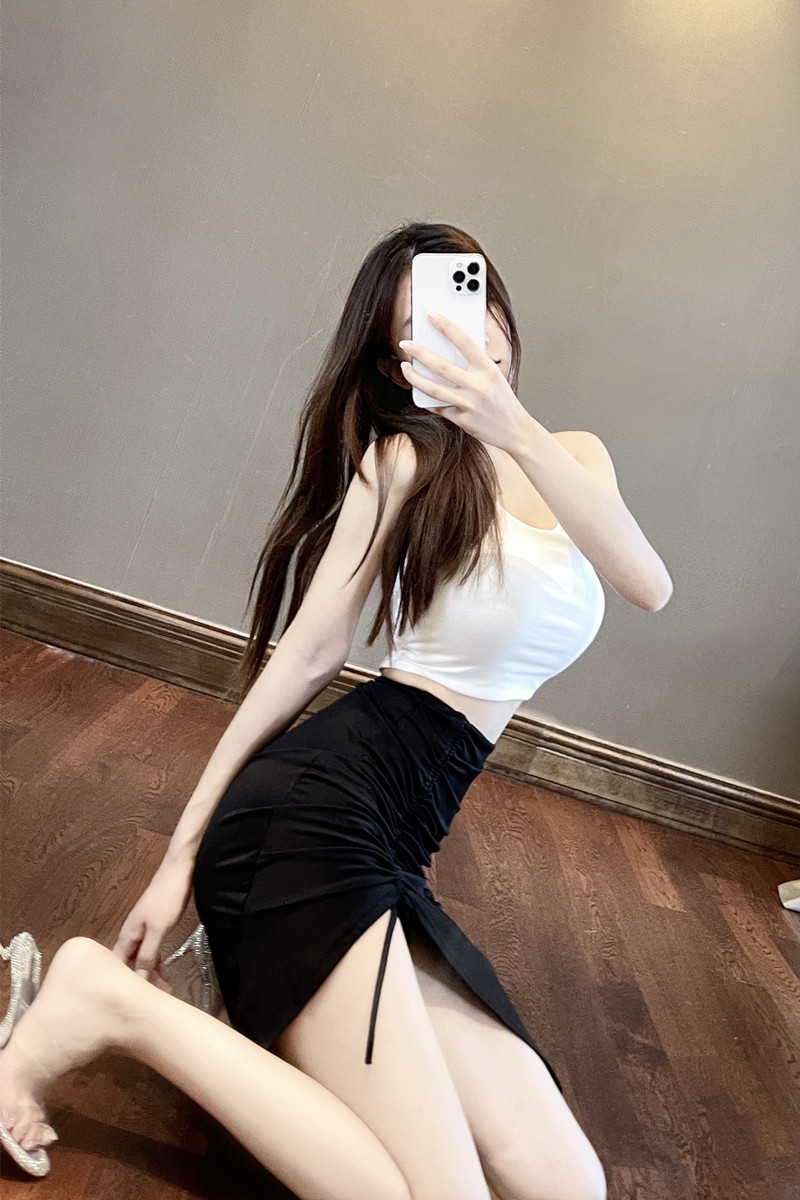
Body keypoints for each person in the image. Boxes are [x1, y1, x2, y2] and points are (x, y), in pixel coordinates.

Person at [0, 222, 672, 1198]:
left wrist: (508, 423)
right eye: (419, 327)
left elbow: (647, 584)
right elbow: (309, 656)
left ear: (500, 310)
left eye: (473, 299)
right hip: (314, 816)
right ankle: (107, 1001)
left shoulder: (574, 458)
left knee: (569, 1185)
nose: (466, 331)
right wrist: (178, 857)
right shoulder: (401, 464)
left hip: (396, 842)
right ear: (396, 365)